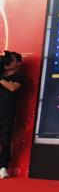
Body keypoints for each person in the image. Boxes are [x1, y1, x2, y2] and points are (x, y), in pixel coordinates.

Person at [0, 51, 24, 179]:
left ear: (18, 63)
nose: (8, 62)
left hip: (7, 115)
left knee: (5, 141)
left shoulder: (19, 77)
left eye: (11, 60)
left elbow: (12, 88)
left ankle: (2, 167)